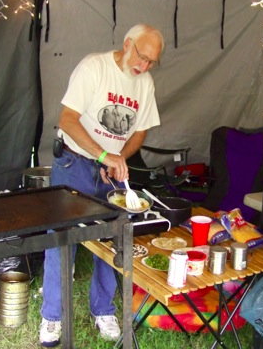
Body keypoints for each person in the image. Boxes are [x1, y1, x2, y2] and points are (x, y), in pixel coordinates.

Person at [39, 24, 164, 347]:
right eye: (141, 57)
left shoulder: (145, 84)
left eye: (151, 62)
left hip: (109, 170)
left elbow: (140, 131)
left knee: (112, 241)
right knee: (61, 238)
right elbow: (67, 119)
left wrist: (117, 157)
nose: (144, 66)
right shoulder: (94, 67)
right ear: (127, 43)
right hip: (74, 164)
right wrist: (103, 154)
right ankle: (52, 316)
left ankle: (103, 310)